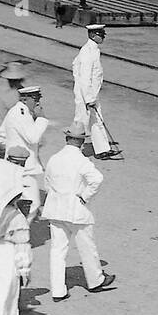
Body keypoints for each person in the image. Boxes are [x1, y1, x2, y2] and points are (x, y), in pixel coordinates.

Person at [42, 124, 115, 301]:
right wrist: (85, 196)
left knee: (57, 250)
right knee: (87, 246)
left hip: (55, 209)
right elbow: (97, 179)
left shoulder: (54, 158)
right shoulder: (81, 160)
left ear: (67, 139)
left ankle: (58, 291)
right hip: (76, 210)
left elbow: (47, 183)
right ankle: (95, 280)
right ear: (82, 142)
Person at [0, 84, 50, 219]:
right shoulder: (21, 113)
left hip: (16, 164)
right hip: (24, 168)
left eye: (38, 98)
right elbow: (33, 138)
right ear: (25, 99)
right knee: (32, 205)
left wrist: (11, 148)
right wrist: (42, 118)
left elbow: (1, 136)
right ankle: (19, 235)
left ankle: (15, 232)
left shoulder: (16, 112)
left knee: (19, 203)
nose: (38, 102)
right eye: (35, 98)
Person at [73, 24, 121, 159]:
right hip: (85, 94)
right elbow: (84, 77)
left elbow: (74, 65)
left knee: (97, 121)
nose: (103, 36)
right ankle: (73, 151)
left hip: (92, 93)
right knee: (81, 121)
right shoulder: (87, 51)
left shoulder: (93, 49)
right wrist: (88, 98)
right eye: (101, 34)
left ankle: (102, 150)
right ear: (93, 35)